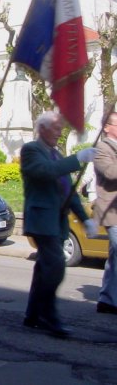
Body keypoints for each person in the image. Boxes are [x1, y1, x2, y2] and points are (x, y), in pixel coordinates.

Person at [21, 111, 97, 337]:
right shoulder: (31, 150)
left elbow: (69, 192)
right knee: (55, 266)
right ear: (42, 129)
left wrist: (85, 219)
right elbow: (45, 173)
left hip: (58, 220)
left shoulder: (57, 155)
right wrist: (77, 160)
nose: (59, 132)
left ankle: (33, 315)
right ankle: (48, 314)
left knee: (44, 267)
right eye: (55, 128)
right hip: (42, 219)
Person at [93, 111, 117, 315]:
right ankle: (108, 300)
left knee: (114, 256)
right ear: (107, 127)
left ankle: (107, 299)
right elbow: (110, 173)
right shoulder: (101, 148)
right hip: (112, 211)